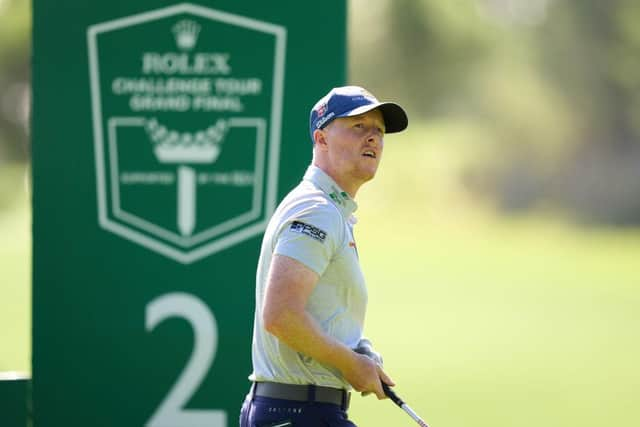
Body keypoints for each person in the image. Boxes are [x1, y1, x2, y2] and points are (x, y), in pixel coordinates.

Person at [240, 85, 408, 427]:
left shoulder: (332, 211)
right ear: (322, 138)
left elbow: (311, 312)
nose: (373, 138)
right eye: (358, 127)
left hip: (301, 410)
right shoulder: (316, 209)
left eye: (378, 130)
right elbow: (281, 315)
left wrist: (354, 347)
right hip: (296, 412)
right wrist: (350, 363)